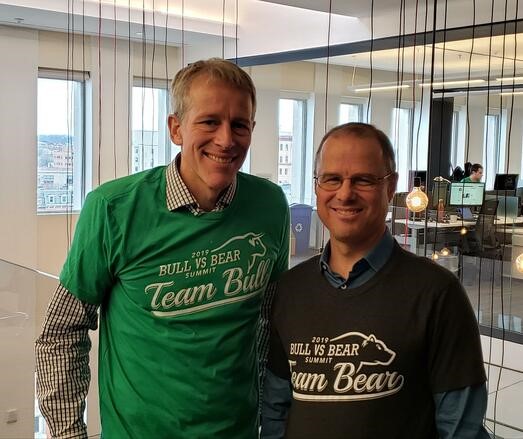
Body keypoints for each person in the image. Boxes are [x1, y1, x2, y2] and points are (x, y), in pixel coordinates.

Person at [36, 58, 290, 438]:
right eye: (209, 121)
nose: (226, 139)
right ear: (176, 129)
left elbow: (271, 324)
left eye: (239, 124)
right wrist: (69, 434)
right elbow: (61, 333)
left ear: (252, 129)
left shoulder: (270, 205)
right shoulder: (114, 209)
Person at [261, 123, 489, 439]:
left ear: (390, 186)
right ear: (317, 186)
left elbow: (462, 428)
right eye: (332, 179)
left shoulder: (437, 293)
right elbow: (275, 411)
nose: (345, 194)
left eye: (363, 180)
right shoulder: (290, 290)